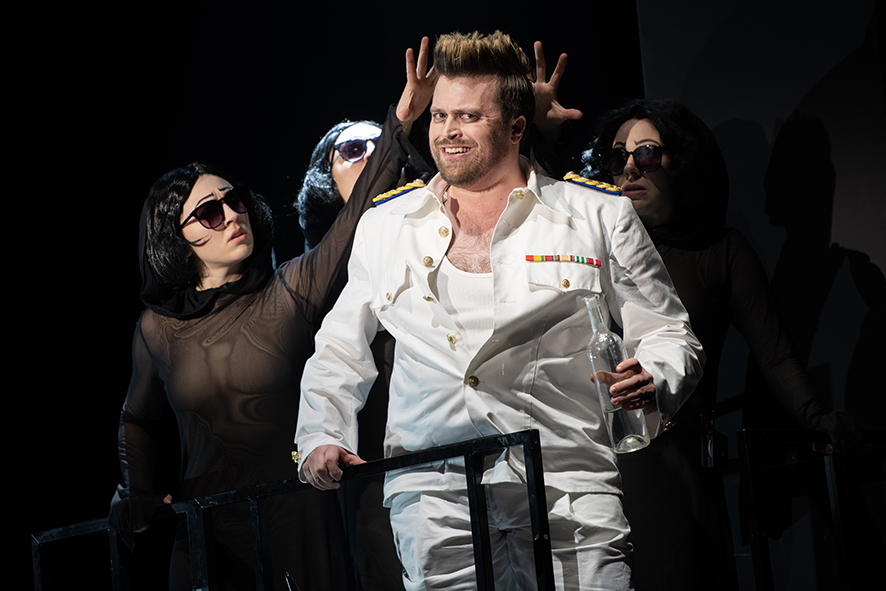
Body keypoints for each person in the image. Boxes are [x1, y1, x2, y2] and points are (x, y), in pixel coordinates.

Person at [297, 31, 704, 591]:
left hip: (565, 485)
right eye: (440, 116)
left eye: (468, 116)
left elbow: (668, 333)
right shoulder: (385, 226)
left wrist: (654, 376)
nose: (448, 131)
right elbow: (340, 347)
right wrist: (322, 433)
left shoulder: (595, 216)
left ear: (516, 127)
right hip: (434, 496)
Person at [110, 56, 431, 589]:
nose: (232, 215)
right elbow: (136, 418)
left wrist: (399, 122)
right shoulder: (157, 329)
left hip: (297, 521)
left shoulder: (292, 289)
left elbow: (354, 218)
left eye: (234, 200)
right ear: (177, 239)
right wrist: (134, 490)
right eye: (210, 213)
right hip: (208, 533)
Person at [580, 99, 858, 590]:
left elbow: (774, 353)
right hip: (584, 464)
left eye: (647, 154)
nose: (629, 168)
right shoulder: (585, 249)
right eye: (617, 156)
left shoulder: (718, 252)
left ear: (684, 162)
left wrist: (816, 416)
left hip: (672, 466)